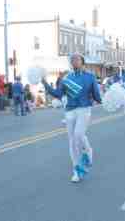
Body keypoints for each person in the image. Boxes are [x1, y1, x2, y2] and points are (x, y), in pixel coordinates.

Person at [42, 53, 101, 183]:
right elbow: (58, 94)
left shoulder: (90, 77)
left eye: (76, 59)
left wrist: (107, 101)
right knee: (72, 142)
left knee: (78, 135)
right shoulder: (66, 79)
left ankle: (88, 150)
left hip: (84, 109)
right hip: (70, 111)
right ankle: (77, 170)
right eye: (72, 59)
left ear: (82, 62)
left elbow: (97, 95)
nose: (74, 61)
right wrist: (45, 84)